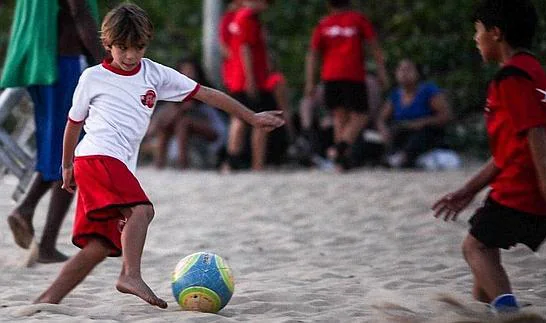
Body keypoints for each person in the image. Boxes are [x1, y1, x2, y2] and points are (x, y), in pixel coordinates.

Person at [34, 3, 283, 308]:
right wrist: (66, 165)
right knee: (142, 211)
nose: (129, 56)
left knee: (99, 246)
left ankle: (46, 300)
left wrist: (252, 118)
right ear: (108, 44)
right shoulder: (92, 78)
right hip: (96, 158)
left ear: (146, 44)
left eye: (137, 48)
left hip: (110, 166)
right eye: (122, 48)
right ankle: (130, 274)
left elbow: (206, 93)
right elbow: (73, 124)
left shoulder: (154, 73)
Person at [432, 0, 546, 313]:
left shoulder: (510, 77)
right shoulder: (534, 70)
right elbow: (507, 151)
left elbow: (535, 130)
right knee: (486, 255)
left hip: (531, 179)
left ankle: (510, 316)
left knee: (475, 246)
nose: (475, 38)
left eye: (478, 30)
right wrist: (468, 190)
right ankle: (487, 310)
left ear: (495, 33)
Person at [0, 0, 103, 264]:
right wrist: (108, 63)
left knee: (56, 151)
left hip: (38, 62)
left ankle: (26, 211)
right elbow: (79, 11)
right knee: (71, 155)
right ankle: (45, 242)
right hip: (61, 64)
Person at [304, 0, 389, 171]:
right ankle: (341, 149)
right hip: (353, 75)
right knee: (361, 114)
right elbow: (374, 48)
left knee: (339, 117)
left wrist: (310, 81)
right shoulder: (358, 20)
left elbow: (313, 55)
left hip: (330, 76)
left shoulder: (324, 24)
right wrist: (382, 72)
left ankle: (340, 160)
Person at [223, 0, 276, 171]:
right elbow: (245, 48)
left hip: (240, 77)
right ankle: (257, 164)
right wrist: (251, 79)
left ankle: (232, 160)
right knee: (260, 119)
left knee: (239, 118)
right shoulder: (247, 18)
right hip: (251, 79)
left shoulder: (239, 17)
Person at [147, 57, 228, 169]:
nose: (188, 74)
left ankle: (182, 163)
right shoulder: (174, 94)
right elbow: (159, 124)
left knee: (183, 123)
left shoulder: (203, 91)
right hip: (184, 130)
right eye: (184, 71)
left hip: (214, 132)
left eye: (190, 70)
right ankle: (160, 163)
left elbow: (214, 121)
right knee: (170, 125)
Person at [378, 58, 452, 168]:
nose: (404, 74)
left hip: (426, 130)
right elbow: (381, 118)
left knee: (422, 135)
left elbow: (446, 116)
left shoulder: (428, 91)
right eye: (401, 70)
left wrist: (420, 123)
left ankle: (403, 158)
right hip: (403, 131)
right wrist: (383, 130)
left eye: (408, 70)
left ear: (417, 73)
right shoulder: (395, 95)